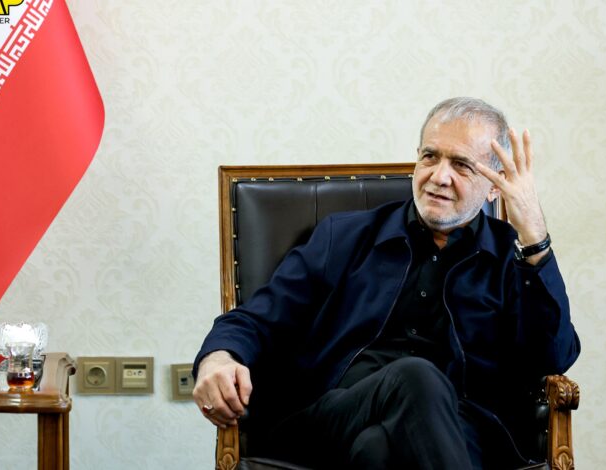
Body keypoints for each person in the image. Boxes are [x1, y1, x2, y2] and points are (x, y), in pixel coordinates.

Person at [192, 97, 580, 469]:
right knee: (416, 376)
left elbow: (554, 356)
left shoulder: (511, 259)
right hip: (335, 415)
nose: (439, 176)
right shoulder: (343, 237)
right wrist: (218, 357)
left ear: (496, 185)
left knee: (376, 450)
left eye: (461, 165)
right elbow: (258, 318)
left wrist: (534, 237)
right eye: (430, 156)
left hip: (461, 429)